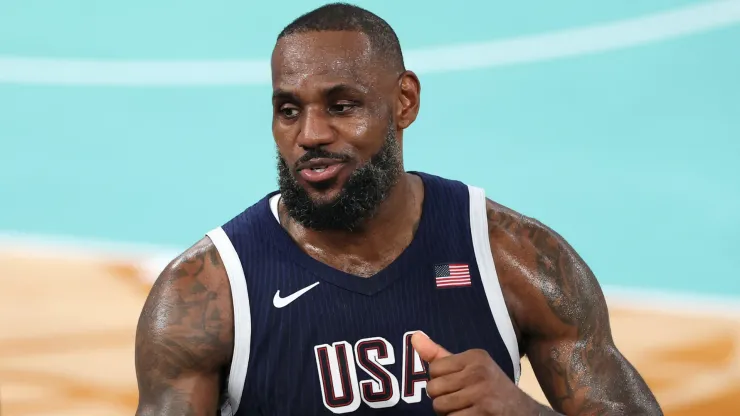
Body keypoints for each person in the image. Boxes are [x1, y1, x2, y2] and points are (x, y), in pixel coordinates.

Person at [134, 3, 663, 415]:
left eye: (342, 106)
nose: (310, 135)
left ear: (404, 101)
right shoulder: (204, 293)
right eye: (289, 110)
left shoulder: (512, 258)